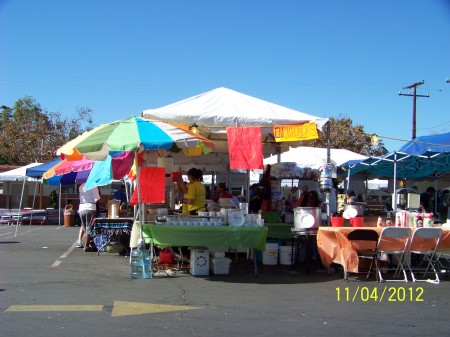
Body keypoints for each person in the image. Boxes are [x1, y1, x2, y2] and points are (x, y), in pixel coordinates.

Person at [76, 183, 101, 251]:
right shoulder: (93, 186)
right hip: (90, 208)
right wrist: (104, 200)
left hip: (81, 208)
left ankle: (83, 242)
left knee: (84, 227)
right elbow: (97, 199)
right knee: (89, 228)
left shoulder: (81, 186)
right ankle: (87, 246)